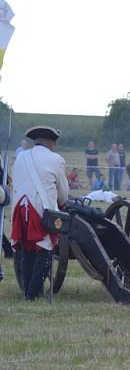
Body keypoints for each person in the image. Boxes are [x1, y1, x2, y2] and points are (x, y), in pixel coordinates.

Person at [10, 126, 69, 300]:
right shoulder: (56, 159)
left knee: (28, 249)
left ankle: (28, 289)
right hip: (40, 209)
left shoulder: (21, 157)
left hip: (20, 208)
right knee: (45, 247)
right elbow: (63, 192)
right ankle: (34, 292)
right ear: (51, 142)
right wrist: (62, 202)